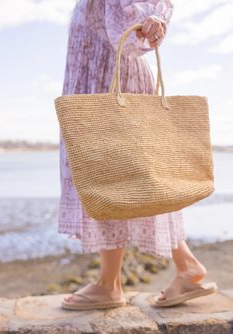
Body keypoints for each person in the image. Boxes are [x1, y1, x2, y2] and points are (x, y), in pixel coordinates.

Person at [58, 0, 217, 310]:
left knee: (109, 179)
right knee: (143, 181)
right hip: (106, 81)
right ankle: (187, 267)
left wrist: (150, 22)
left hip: (107, 83)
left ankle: (109, 283)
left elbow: (128, 28)